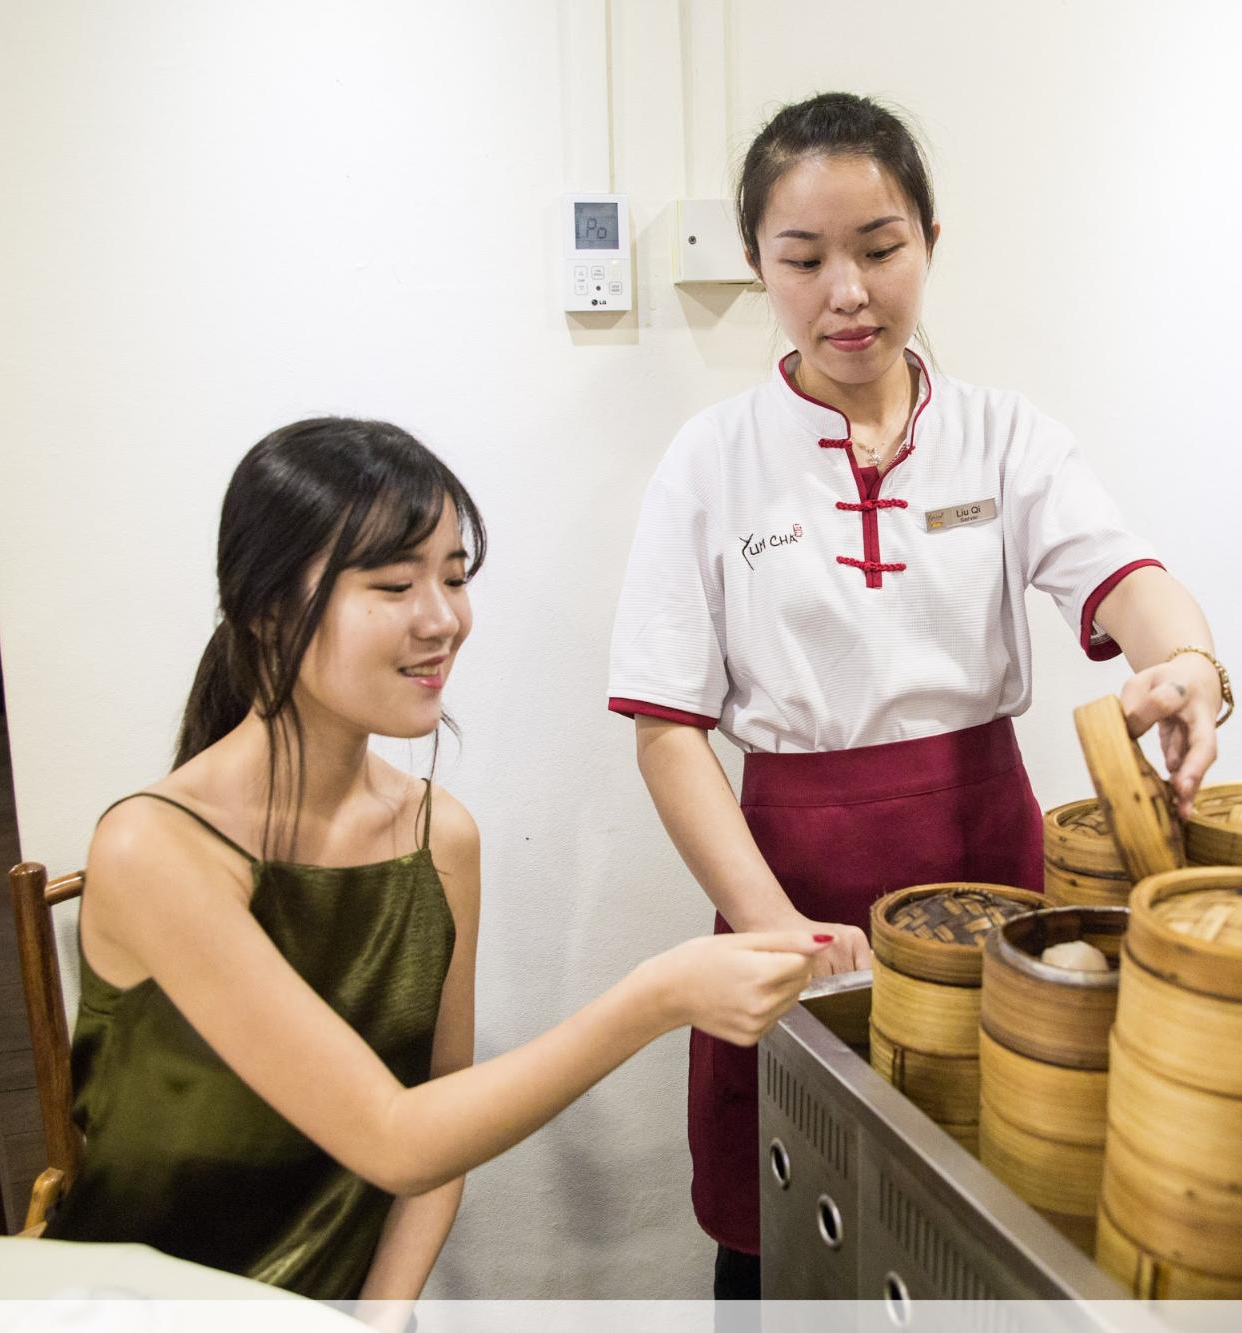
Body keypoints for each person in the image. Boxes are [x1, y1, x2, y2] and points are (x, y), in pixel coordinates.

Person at [606, 93, 1230, 1298]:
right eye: (804, 258)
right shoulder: (710, 462)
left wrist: (1190, 661)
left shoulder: (1004, 440)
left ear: (929, 241)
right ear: (757, 267)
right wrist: (772, 919)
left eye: (880, 249)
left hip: (990, 862)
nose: (848, 291)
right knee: (788, 1235)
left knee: (989, 1223)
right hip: (783, 881)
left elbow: (1124, 578)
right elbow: (668, 732)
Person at [48, 418, 830, 1302]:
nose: (443, 618)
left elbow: (439, 1123)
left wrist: (381, 1318)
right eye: (393, 583)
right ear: (266, 608)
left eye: (454, 577)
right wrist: (658, 997)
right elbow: (395, 1136)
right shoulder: (157, 847)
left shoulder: (438, 835)